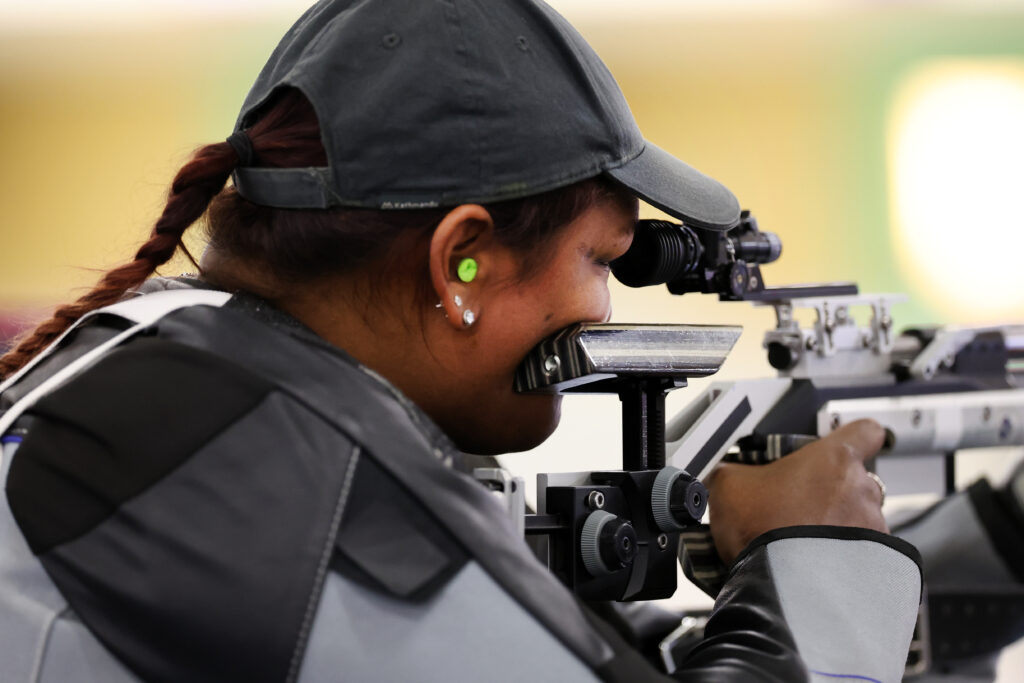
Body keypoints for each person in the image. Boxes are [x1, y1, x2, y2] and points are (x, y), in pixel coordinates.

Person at [0, 0, 922, 681]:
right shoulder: (306, 480)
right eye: (600, 261)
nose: (604, 312)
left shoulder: (172, 368)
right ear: (462, 264)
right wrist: (816, 562)